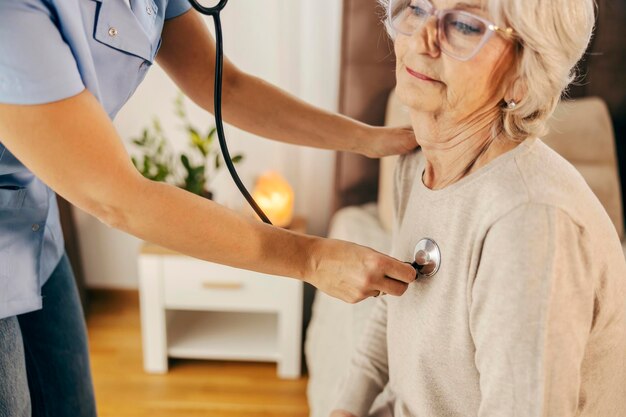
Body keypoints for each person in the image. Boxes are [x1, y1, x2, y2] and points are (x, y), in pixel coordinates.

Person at [0, 1, 419, 416]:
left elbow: (225, 86)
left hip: (33, 222)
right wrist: (309, 258)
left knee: (70, 404)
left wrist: (367, 139)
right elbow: (116, 197)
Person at [331, 0, 626, 416]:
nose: (423, 37)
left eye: (466, 25)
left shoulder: (527, 223)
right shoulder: (418, 161)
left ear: (524, 76)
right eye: (416, 6)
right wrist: (346, 408)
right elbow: (398, 305)